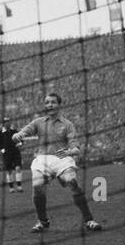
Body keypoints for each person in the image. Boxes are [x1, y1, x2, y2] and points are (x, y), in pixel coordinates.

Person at [11, 92, 103, 233]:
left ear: (59, 105)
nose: (50, 105)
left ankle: (89, 220)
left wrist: (70, 152)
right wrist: (18, 135)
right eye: (47, 102)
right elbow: (23, 132)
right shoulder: (38, 122)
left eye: (53, 102)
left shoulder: (67, 124)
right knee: (37, 185)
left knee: (72, 181)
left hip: (62, 158)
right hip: (42, 159)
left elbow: (76, 148)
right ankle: (42, 221)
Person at [0, 117, 24, 192]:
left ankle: (19, 186)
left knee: (18, 168)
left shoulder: (14, 131)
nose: (7, 123)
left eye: (8, 122)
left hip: (16, 152)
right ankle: (11, 187)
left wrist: (20, 144)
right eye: (5, 122)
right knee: (9, 170)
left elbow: (21, 140)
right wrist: (3, 150)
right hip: (7, 154)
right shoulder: (0, 133)